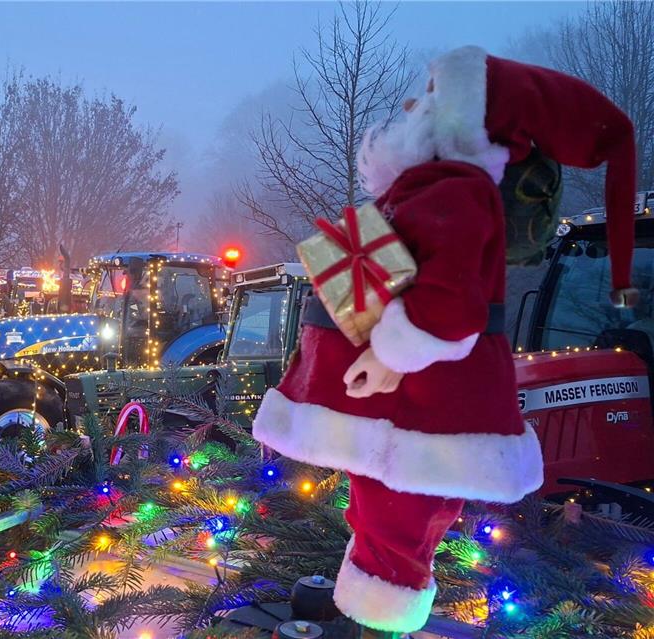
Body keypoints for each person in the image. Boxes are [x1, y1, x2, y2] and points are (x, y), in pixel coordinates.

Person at [252, 45, 636, 638]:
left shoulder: (455, 187)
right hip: (396, 410)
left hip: (412, 406)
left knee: (398, 522)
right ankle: (376, 603)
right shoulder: (427, 185)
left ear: (462, 118)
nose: (410, 106)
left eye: (430, 96)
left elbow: (451, 306)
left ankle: (382, 613)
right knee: (382, 512)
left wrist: (388, 356)